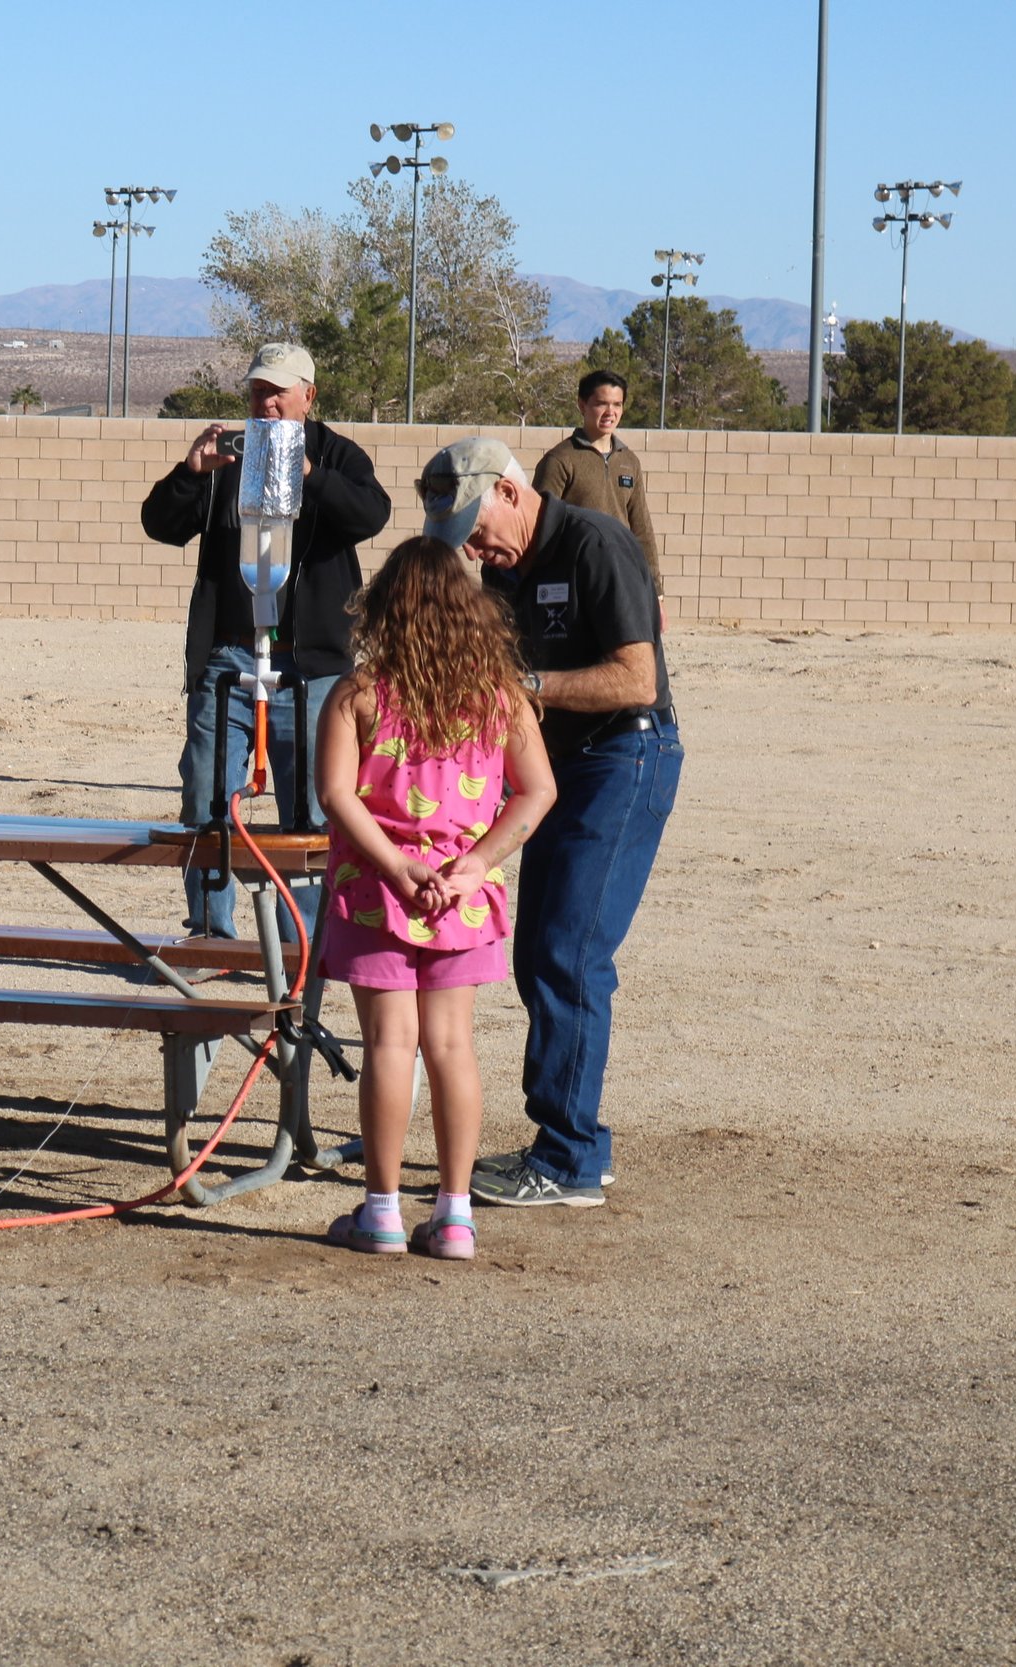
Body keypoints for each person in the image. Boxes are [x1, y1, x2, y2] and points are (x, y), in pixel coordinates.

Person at [420, 437, 683, 1208]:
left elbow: (637, 677)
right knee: (537, 949)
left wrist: (528, 686)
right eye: (463, 541)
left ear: (509, 490)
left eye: (476, 529)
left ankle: (567, 1160)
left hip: (623, 759)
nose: (474, 550)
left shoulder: (596, 542)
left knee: (570, 952)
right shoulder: (506, 571)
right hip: (560, 766)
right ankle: (574, 1143)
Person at [316, 537, 555, 1260]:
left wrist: (394, 865)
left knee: (389, 1044)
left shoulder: (357, 694)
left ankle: (382, 1211)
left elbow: (335, 794)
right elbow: (538, 791)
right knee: (452, 1045)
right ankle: (454, 1214)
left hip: (374, 891)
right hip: (463, 898)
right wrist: (476, 865)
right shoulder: (500, 697)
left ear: (383, 606)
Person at [140, 342, 391, 938]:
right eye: (258, 391)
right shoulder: (229, 454)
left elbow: (370, 514)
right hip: (227, 655)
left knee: (310, 810)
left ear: (308, 395)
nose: (267, 403)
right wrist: (190, 474)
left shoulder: (337, 453)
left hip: (311, 667)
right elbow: (160, 524)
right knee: (208, 797)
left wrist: (310, 473)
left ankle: (299, 946)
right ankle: (210, 935)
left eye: (278, 392)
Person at [532, 368, 662, 591]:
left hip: (622, 578)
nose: (610, 412)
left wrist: (655, 591)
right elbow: (538, 525)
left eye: (617, 404)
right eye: (602, 403)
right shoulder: (560, 459)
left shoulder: (629, 461)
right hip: (576, 580)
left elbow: (642, 530)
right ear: (582, 405)